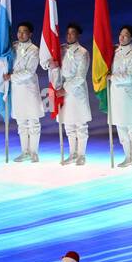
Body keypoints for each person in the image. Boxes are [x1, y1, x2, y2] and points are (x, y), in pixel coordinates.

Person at [6, 21, 43, 162]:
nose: (21, 34)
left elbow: (29, 71)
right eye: (19, 31)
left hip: (29, 89)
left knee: (33, 120)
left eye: (24, 31)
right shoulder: (13, 47)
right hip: (17, 90)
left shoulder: (34, 49)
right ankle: (24, 151)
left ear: (30, 34)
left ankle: (34, 152)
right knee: (21, 122)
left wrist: (12, 77)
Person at [57, 22, 91, 165]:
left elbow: (80, 76)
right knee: (68, 124)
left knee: (80, 124)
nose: (69, 35)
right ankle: (72, 153)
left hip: (76, 91)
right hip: (63, 89)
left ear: (78, 35)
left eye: (72, 33)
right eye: (68, 33)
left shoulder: (83, 52)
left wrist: (66, 88)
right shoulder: (62, 50)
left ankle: (81, 155)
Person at [110, 24, 132, 167]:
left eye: (125, 35)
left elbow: (129, 76)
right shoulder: (115, 52)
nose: (122, 37)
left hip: (128, 94)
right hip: (116, 94)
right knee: (121, 128)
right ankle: (127, 157)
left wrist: (112, 77)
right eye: (120, 34)